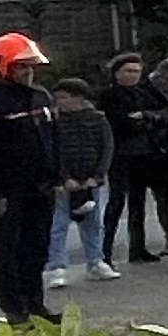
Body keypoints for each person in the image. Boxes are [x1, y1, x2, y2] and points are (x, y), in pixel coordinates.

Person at [0, 34, 64, 322]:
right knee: (8, 250)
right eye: (21, 66)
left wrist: (58, 177)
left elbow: (53, 140)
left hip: (40, 188)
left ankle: (35, 304)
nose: (28, 71)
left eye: (30, 66)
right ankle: (14, 308)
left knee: (37, 248)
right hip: (9, 191)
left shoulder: (41, 97)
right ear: (4, 68)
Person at [103, 53, 168, 260]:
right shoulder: (109, 96)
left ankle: (137, 248)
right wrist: (143, 120)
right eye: (128, 71)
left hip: (147, 154)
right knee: (116, 203)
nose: (133, 75)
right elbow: (118, 123)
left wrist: (145, 117)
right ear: (117, 73)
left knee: (138, 203)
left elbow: (162, 115)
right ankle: (104, 251)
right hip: (122, 155)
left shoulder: (145, 92)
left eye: (136, 71)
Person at [47, 76, 118, 283]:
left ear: (79, 97)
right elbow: (53, 152)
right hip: (64, 183)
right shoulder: (55, 123)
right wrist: (62, 178)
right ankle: (57, 267)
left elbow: (106, 148)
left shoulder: (98, 120)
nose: (60, 102)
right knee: (58, 225)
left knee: (93, 223)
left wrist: (97, 176)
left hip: (91, 180)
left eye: (65, 97)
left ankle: (95, 261)